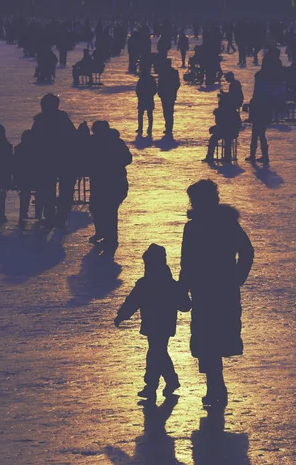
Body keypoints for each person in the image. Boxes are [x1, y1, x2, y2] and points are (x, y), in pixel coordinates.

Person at [180, 180, 254, 407]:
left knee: (208, 338)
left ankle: (215, 386)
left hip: (207, 289)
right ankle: (215, 385)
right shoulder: (226, 223)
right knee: (212, 338)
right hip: (221, 289)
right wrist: (236, 277)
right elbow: (246, 252)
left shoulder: (196, 227)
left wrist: (184, 289)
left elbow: (188, 262)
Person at [115, 244, 191, 401]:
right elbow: (185, 305)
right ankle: (160, 383)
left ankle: (161, 383)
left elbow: (132, 302)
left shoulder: (146, 284)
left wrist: (122, 315)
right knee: (157, 352)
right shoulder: (169, 284)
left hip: (154, 324)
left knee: (156, 353)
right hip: (164, 324)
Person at [31, 94, 77, 228]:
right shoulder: (62, 120)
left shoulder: (40, 121)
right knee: (60, 190)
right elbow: (73, 138)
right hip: (60, 161)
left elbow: (34, 141)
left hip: (50, 161)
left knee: (50, 189)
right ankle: (58, 216)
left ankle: (52, 216)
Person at [88, 122, 132, 253]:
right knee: (97, 208)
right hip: (103, 182)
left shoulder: (114, 142)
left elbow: (127, 158)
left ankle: (111, 238)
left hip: (113, 182)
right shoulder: (95, 142)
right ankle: (102, 232)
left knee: (108, 210)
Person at [203, 93, 241, 163]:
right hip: (232, 131)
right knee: (226, 138)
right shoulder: (232, 110)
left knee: (214, 138)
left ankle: (210, 156)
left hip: (229, 131)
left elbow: (222, 124)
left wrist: (215, 128)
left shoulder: (223, 111)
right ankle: (227, 156)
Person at [13, 129, 39, 225]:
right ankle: (38, 214)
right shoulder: (37, 149)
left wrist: (15, 179)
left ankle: (23, 213)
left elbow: (15, 165)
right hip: (36, 179)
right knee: (38, 193)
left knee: (24, 194)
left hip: (22, 179)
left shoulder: (18, 148)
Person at [157, 59, 180, 135]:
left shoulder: (163, 73)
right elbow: (177, 84)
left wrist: (160, 92)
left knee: (166, 111)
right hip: (170, 94)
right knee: (170, 111)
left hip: (165, 94)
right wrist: (173, 90)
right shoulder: (174, 72)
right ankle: (169, 127)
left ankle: (168, 127)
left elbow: (160, 83)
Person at [136, 65, 157, 136]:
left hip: (143, 98)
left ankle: (141, 128)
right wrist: (151, 94)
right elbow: (155, 89)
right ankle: (149, 128)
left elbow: (137, 89)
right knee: (149, 114)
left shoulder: (141, 79)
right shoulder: (151, 79)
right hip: (148, 98)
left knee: (141, 114)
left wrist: (140, 95)